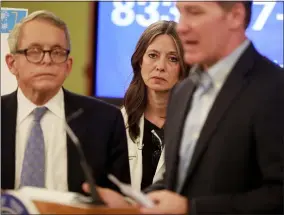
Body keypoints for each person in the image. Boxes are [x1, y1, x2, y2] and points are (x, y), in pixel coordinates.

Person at [85, 2, 284, 214]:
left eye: (194, 12)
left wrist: (192, 208)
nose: (181, 27)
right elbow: (175, 181)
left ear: (235, 16)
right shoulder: (184, 92)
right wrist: (132, 206)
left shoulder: (274, 88)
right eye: (180, 13)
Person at [1, 10, 130, 194]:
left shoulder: (105, 121)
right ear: (12, 64)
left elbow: (120, 201)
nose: (46, 60)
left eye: (56, 52)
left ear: (67, 66)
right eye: (35, 51)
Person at [121, 20, 189, 191]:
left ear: (184, 68)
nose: (160, 67)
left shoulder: (194, 125)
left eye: (173, 59)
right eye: (152, 55)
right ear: (140, 61)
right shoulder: (117, 122)